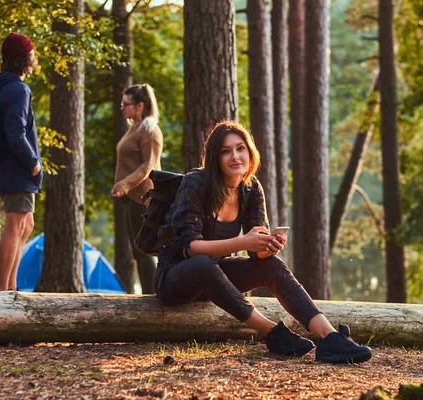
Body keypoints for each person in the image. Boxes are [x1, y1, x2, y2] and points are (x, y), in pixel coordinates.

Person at [154, 120, 372, 364]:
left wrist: (269, 246)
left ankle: (330, 338)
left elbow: (256, 254)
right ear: (215, 157)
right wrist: (243, 242)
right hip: (176, 279)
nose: (235, 156)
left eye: (240, 148)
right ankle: (272, 333)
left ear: (250, 152)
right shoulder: (196, 183)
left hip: (216, 279)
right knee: (203, 264)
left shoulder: (251, 188)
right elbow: (190, 247)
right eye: (226, 151)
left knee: (273, 266)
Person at [0, 32, 42, 291]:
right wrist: (33, 162)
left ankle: (10, 287)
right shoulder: (19, 89)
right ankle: (1, 290)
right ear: (24, 59)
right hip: (18, 168)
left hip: (6, 166)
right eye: (31, 53)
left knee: (26, 223)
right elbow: (15, 132)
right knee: (15, 224)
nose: (35, 57)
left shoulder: (1, 86)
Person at [112, 84, 163, 294]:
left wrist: (125, 184)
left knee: (145, 250)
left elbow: (148, 165)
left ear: (140, 105)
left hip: (144, 198)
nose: (122, 107)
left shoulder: (150, 130)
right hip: (131, 199)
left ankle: (153, 297)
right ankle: (147, 297)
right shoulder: (134, 128)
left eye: (126, 104)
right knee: (137, 250)